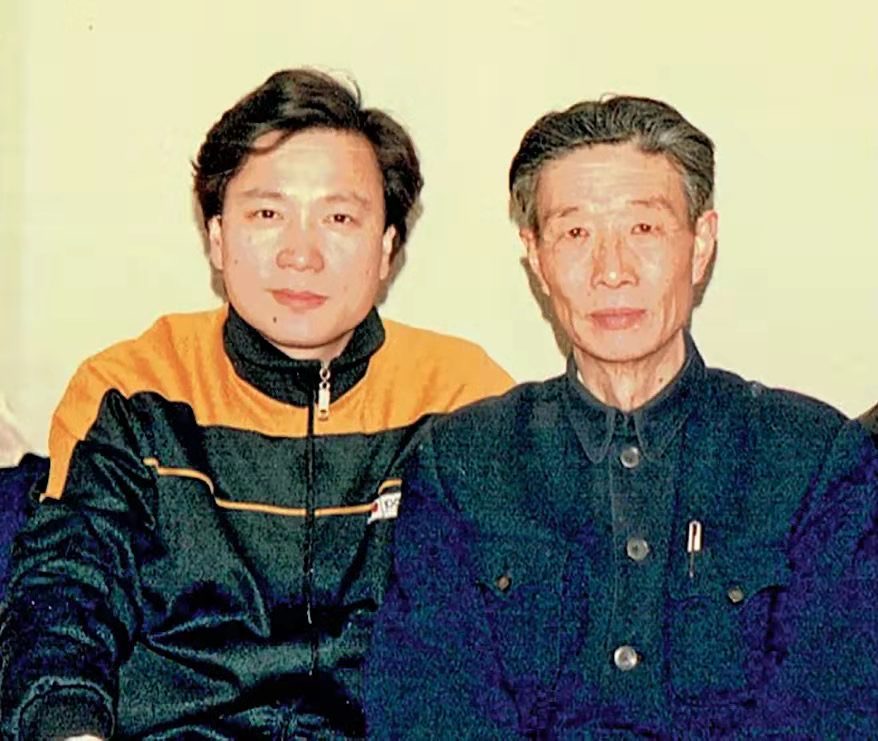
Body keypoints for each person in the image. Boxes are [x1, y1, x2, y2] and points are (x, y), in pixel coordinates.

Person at [0, 69, 512, 740]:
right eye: (268, 214)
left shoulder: (464, 398)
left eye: (339, 218)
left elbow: (512, 637)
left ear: (387, 247)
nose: (301, 254)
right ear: (217, 237)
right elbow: (66, 597)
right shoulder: (132, 390)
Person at [365, 96, 878, 736]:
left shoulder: (814, 460)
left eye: (644, 229)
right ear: (536, 256)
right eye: (576, 233)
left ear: (701, 244)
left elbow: (835, 708)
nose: (612, 270)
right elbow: (430, 711)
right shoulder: (461, 463)